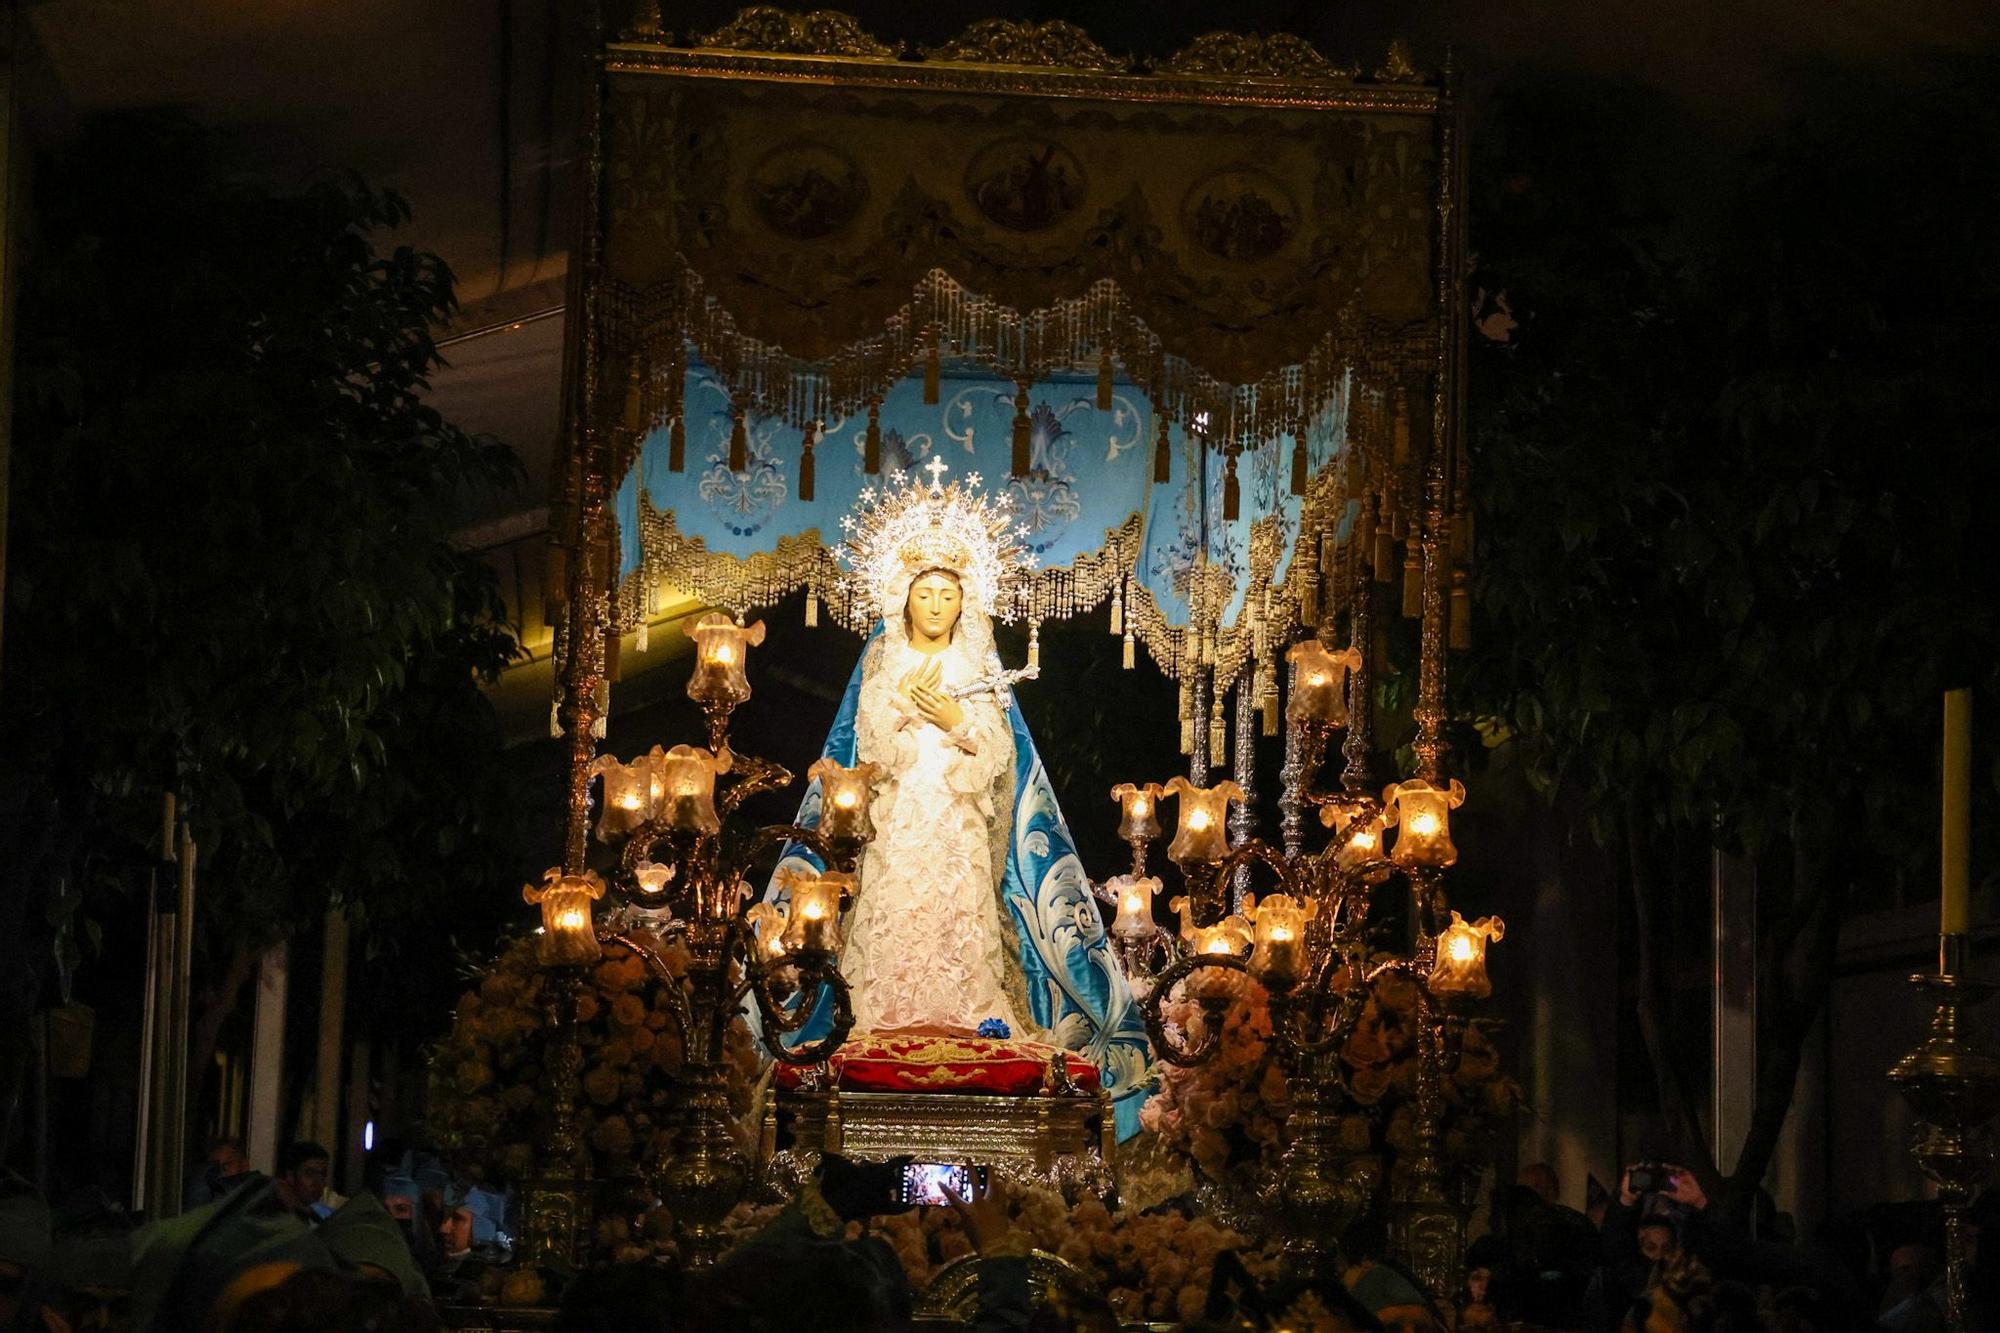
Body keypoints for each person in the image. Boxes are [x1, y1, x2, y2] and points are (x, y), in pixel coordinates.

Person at [766, 464, 1151, 1137]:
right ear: (904, 598)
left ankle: (970, 1013)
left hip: (961, 818)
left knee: (957, 905)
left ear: (964, 601)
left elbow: (999, 755)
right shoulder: (882, 662)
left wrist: (954, 721)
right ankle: (880, 1018)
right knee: (893, 906)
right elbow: (865, 743)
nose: (937, 606)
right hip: (895, 817)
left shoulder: (977, 667)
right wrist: (902, 728)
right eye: (926, 593)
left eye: (948, 593)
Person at [274, 1141, 339, 1221]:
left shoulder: (321, 1210)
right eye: (310, 1174)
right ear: (291, 1177)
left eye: (323, 1174)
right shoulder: (274, 1215)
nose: (319, 1183)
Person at [185, 1135, 253, 1207]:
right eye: (216, 1167)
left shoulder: (256, 1196)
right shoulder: (205, 1191)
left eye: (228, 1164)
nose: (222, 1171)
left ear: (244, 1165)